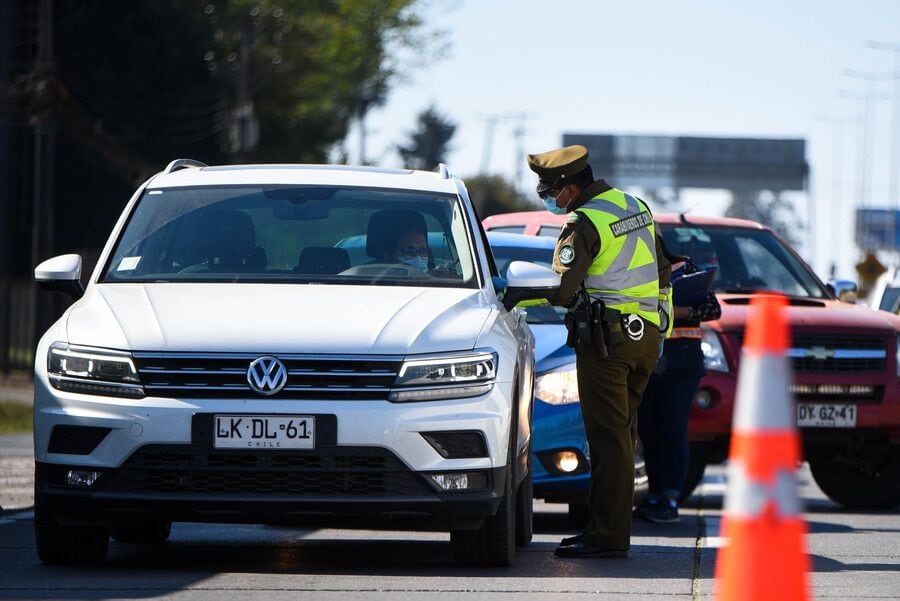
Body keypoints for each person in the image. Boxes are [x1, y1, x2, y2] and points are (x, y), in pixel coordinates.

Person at [526, 144, 665, 559]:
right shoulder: (633, 204)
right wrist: (662, 326)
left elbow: (563, 290)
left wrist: (514, 295)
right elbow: (663, 271)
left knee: (607, 441)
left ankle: (606, 536)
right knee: (622, 437)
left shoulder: (584, 221)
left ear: (569, 188)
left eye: (547, 191)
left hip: (607, 344)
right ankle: (607, 531)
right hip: (645, 339)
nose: (546, 199)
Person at [636, 252, 721, 523]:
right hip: (648, 359)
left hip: (682, 362)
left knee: (673, 430)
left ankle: (670, 499)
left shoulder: (685, 267)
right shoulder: (635, 268)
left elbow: (712, 310)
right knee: (648, 431)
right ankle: (653, 496)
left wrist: (676, 310)